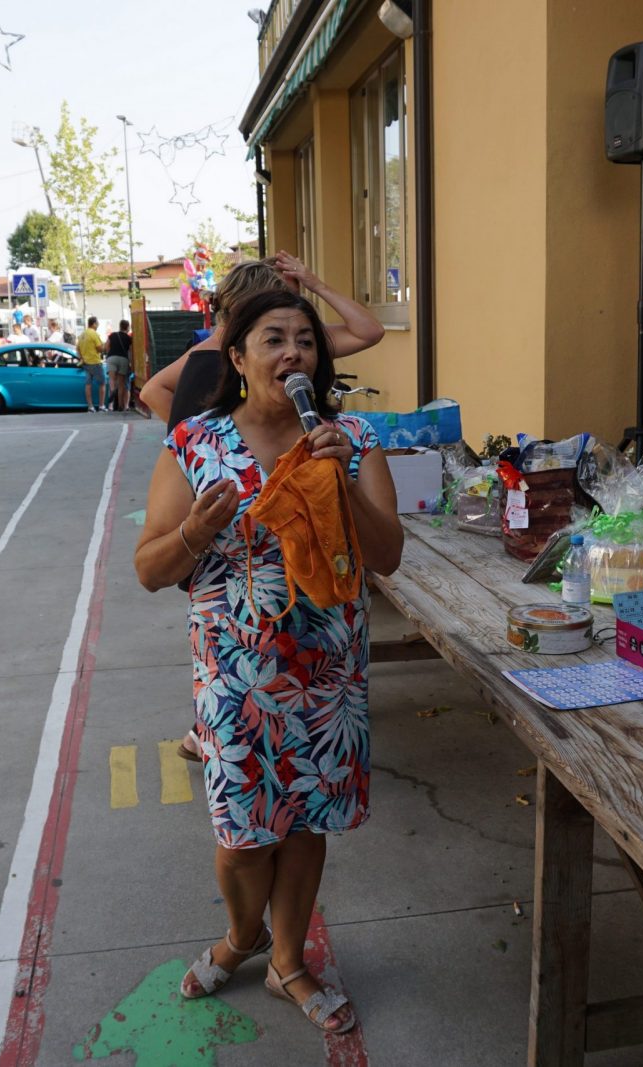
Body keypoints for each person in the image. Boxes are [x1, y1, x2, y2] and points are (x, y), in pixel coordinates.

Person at [133, 288, 402, 1034]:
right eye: (275, 339)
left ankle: (287, 962)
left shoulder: (352, 438)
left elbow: (387, 557)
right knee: (242, 836)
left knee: (306, 822)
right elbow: (149, 569)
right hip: (235, 675)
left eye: (306, 341)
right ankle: (241, 933)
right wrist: (194, 531)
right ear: (239, 357)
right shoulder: (194, 443)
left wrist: (345, 484)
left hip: (326, 674)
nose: (294, 353)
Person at [140, 251, 384, 431]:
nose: (292, 309)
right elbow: (153, 391)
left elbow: (369, 331)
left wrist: (317, 285)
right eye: (283, 299)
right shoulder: (211, 358)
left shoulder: (292, 339)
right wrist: (196, 441)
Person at [105, 319, 134, 412]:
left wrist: (109, 355)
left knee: (112, 379)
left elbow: (106, 346)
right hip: (123, 359)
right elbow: (131, 352)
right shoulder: (128, 338)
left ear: (120, 326)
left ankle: (113, 391)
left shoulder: (112, 335)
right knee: (121, 384)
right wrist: (131, 363)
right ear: (127, 327)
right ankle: (121, 405)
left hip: (112, 358)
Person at [79, 316, 107, 411]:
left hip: (85, 363)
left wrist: (82, 358)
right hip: (95, 362)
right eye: (97, 323)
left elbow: (78, 349)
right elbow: (100, 348)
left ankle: (90, 406)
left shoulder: (82, 334)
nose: (98, 325)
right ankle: (101, 406)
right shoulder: (94, 334)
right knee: (102, 383)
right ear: (94, 324)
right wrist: (104, 347)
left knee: (88, 385)